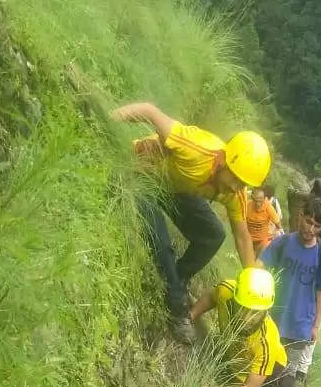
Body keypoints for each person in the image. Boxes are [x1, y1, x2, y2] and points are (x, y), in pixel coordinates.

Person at [112, 101, 271, 342]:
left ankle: (178, 278)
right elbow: (149, 110)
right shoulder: (197, 148)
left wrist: (252, 278)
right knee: (162, 244)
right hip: (143, 177)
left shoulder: (234, 192)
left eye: (243, 184)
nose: (237, 187)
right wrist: (108, 119)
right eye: (236, 179)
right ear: (225, 161)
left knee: (214, 234)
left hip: (175, 190)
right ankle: (177, 308)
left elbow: (241, 235)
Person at [190, 266, 291, 387]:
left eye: (255, 312)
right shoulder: (226, 291)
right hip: (241, 361)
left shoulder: (266, 340)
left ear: (266, 310)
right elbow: (210, 297)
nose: (247, 317)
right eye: (244, 308)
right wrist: (191, 316)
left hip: (275, 371)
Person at [259, 197, 321, 387]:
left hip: (301, 324)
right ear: (301, 216)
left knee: (287, 374)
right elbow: (261, 265)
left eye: (316, 226)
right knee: (264, 360)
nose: (310, 228)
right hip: (274, 316)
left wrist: (316, 326)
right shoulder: (283, 243)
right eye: (308, 221)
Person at [244, 186, 282, 258]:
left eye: (260, 201)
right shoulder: (247, 206)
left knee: (259, 260)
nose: (258, 204)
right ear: (252, 198)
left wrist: (280, 234)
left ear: (265, 199)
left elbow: (278, 223)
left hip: (262, 241)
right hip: (249, 239)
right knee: (249, 261)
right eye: (256, 201)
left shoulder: (268, 207)